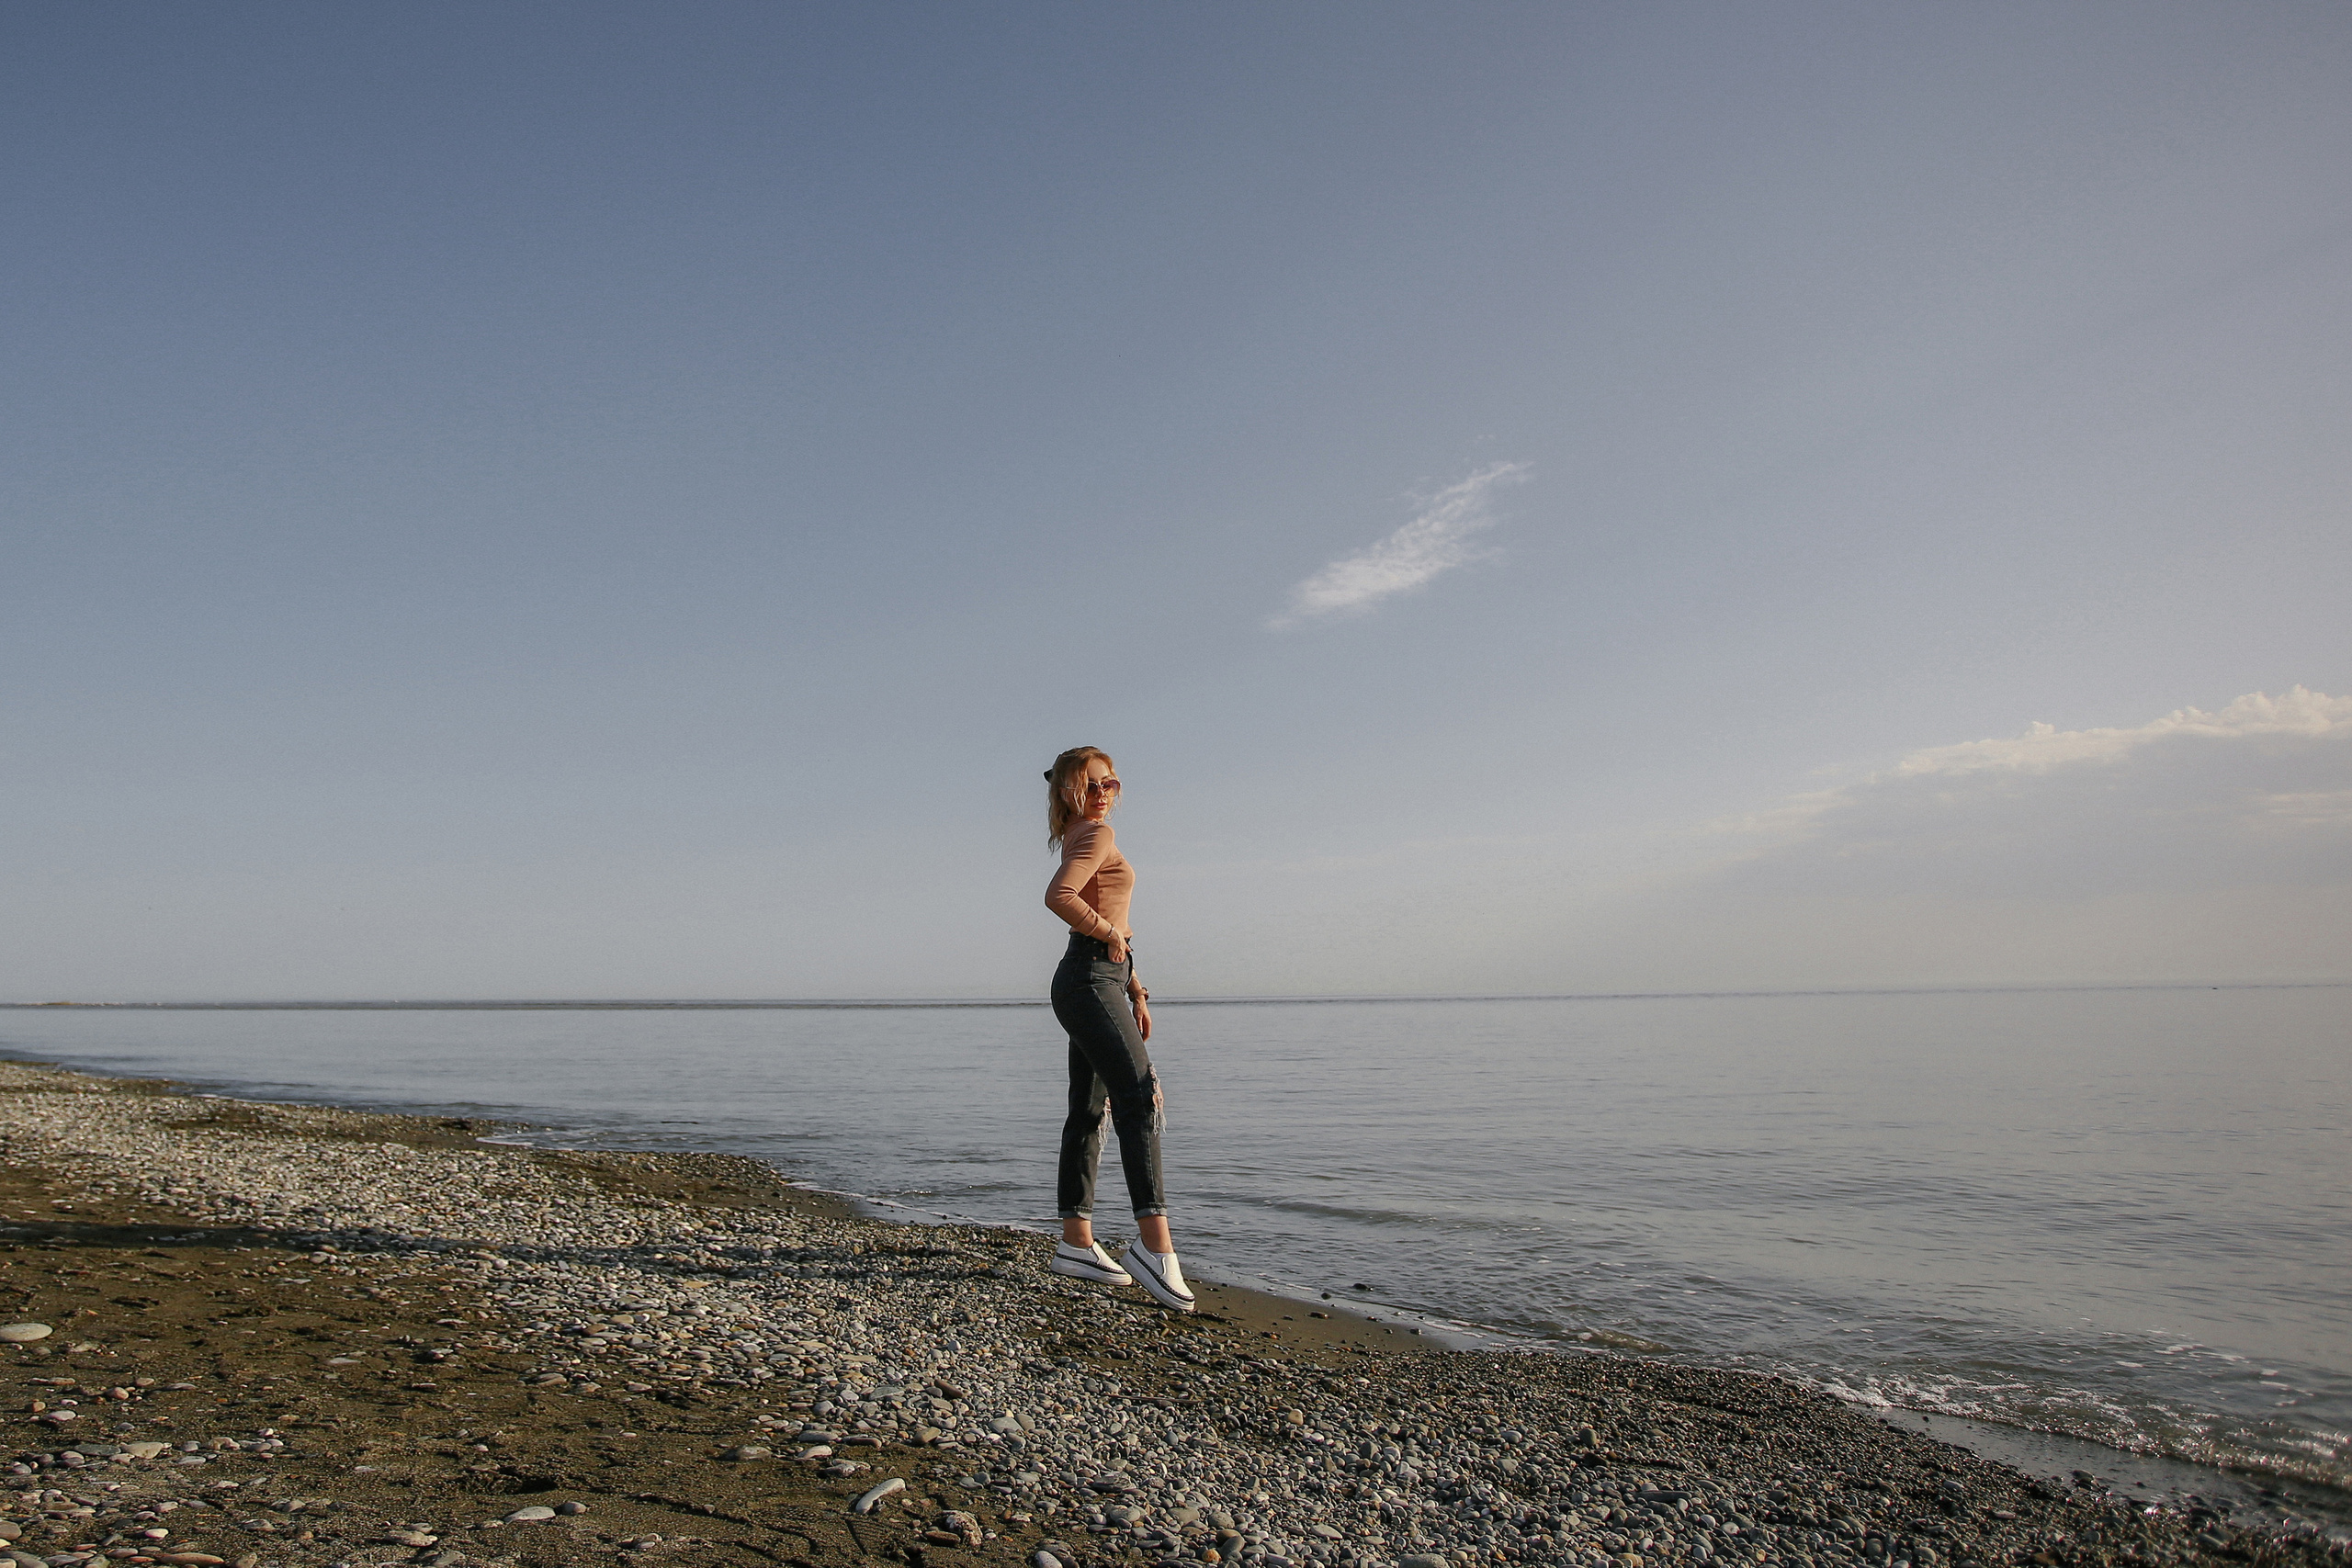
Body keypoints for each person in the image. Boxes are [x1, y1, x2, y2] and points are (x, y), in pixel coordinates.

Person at [1040, 745, 1193, 1312]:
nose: (1103, 794)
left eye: (1110, 783)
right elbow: (1059, 897)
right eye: (1090, 784)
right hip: (1089, 979)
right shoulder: (1096, 835)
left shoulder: (1081, 834)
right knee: (1139, 1097)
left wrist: (1134, 987)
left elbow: (1109, 918)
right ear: (1067, 791)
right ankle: (1155, 1249)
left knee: (1088, 1109)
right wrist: (1108, 936)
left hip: (1095, 979)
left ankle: (1076, 1243)